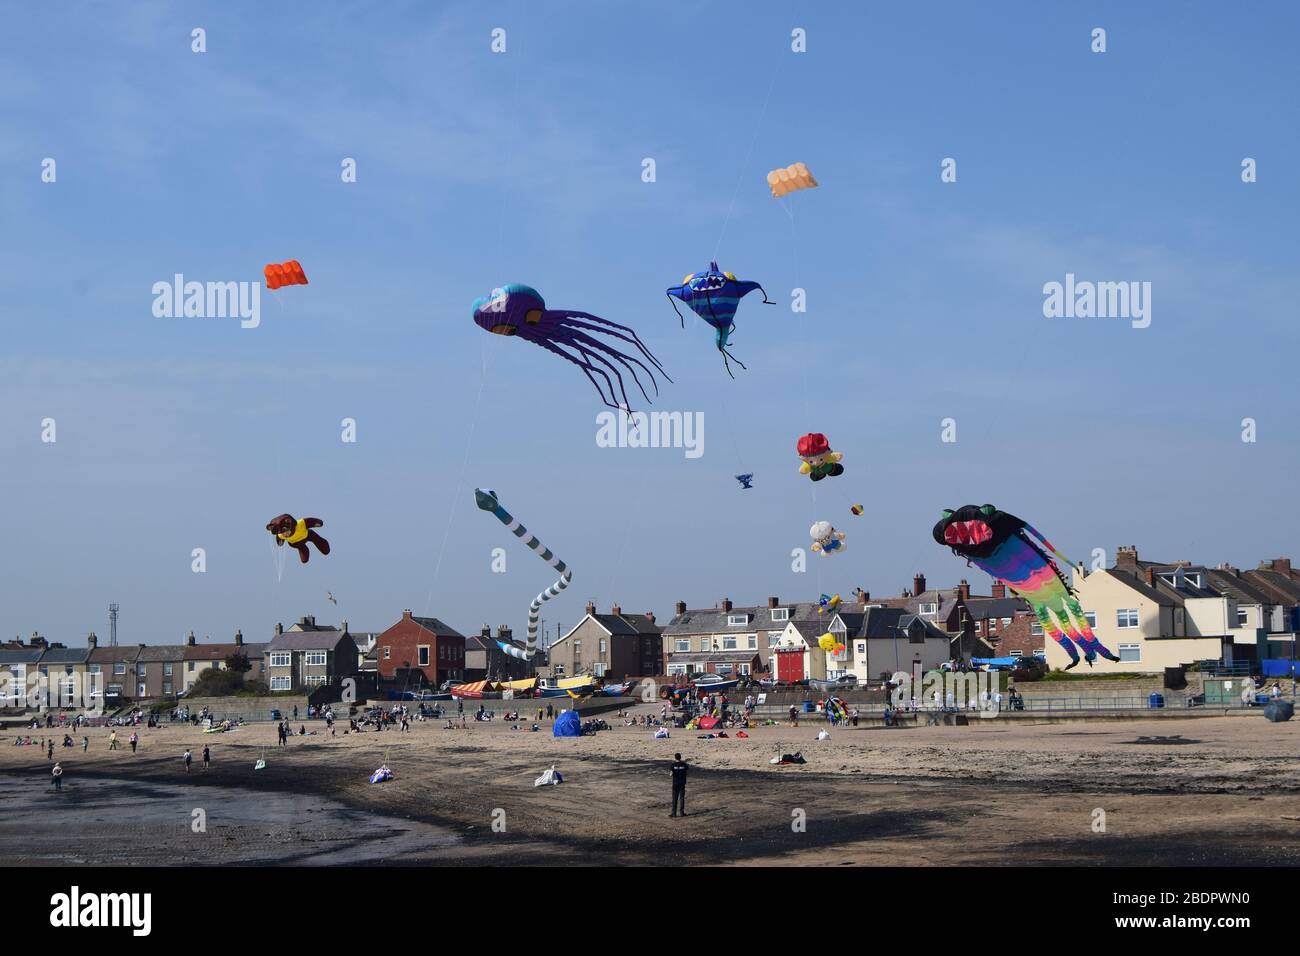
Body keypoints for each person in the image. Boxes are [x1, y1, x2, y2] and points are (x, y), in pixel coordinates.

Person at [670, 752, 689, 818]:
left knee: (674, 799)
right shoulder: (684, 764)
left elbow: (671, 774)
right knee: (681, 798)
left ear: (675, 758)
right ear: (680, 757)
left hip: (675, 784)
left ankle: (674, 813)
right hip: (682, 783)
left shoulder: (673, 765)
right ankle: (681, 812)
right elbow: (687, 773)